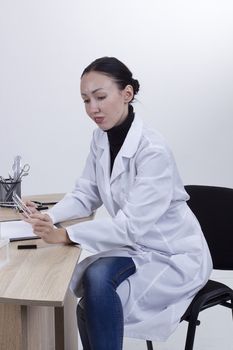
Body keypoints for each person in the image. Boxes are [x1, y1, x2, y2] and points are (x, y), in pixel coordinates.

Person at [24, 57, 213, 350]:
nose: (92, 109)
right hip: (138, 247)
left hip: (173, 255)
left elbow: (132, 226)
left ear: (127, 93)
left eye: (100, 97)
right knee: (91, 287)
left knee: (97, 283)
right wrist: (49, 217)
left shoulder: (153, 150)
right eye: (85, 100)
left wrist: (66, 235)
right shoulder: (101, 139)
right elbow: (86, 193)